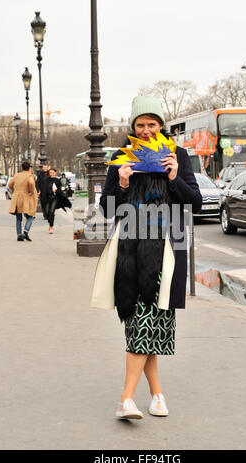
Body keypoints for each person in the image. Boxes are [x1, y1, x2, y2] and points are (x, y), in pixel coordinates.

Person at [91, 95, 202, 420]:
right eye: (140, 125)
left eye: (152, 124)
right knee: (143, 322)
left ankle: (135, 397)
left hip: (165, 252)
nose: (146, 130)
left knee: (148, 322)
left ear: (161, 125)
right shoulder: (119, 157)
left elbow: (194, 203)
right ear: (133, 127)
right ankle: (149, 396)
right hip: (129, 252)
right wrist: (122, 183)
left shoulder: (177, 155)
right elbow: (107, 210)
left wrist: (174, 178)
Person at [8, 161, 38, 241]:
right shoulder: (30, 176)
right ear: (29, 168)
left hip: (17, 197)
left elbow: (10, 184)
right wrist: (31, 191)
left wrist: (15, 190)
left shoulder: (17, 175)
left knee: (18, 217)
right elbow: (31, 183)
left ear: (22, 168)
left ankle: (19, 235)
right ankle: (25, 232)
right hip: (26, 197)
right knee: (30, 215)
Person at [43, 168, 72, 234]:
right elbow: (44, 189)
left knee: (51, 212)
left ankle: (51, 227)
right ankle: (50, 221)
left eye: (53, 173)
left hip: (55, 198)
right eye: (50, 173)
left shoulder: (57, 180)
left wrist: (55, 191)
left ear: (55, 173)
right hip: (48, 198)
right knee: (47, 213)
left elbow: (60, 190)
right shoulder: (46, 180)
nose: (51, 174)